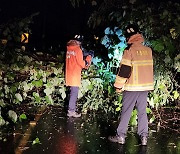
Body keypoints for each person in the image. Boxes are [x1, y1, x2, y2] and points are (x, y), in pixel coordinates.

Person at [108, 24, 154, 146]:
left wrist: (118, 86)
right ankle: (144, 137)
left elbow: (124, 71)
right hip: (145, 88)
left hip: (132, 87)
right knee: (142, 112)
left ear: (128, 37)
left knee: (127, 111)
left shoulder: (129, 51)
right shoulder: (148, 51)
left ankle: (121, 136)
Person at [65, 35, 93, 118]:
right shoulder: (77, 49)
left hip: (69, 73)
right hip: (75, 74)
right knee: (74, 93)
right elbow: (82, 64)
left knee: (72, 92)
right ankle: (71, 111)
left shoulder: (69, 48)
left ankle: (71, 108)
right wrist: (88, 59)